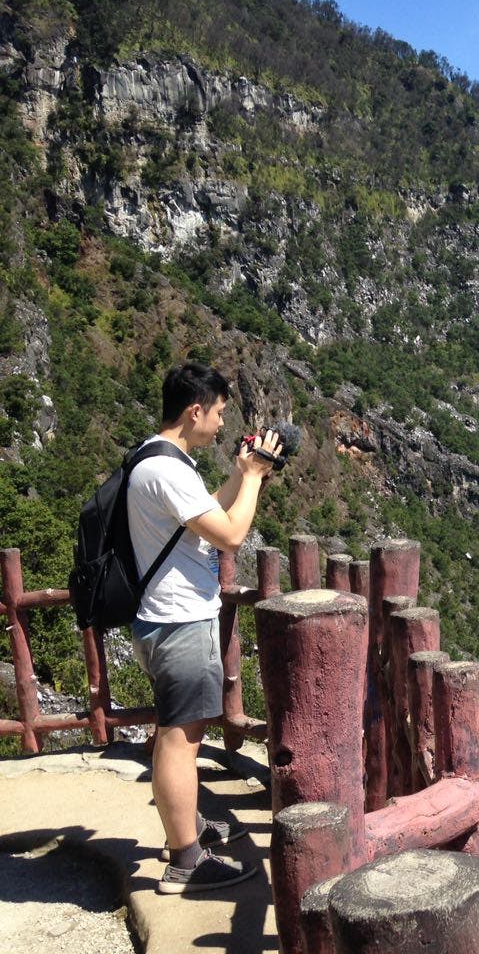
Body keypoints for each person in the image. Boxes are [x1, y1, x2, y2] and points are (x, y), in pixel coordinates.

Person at [128, 361, 281, 894]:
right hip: (178, 622)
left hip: (162, 619)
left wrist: (241, 472)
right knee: (180, 740)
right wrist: (257, 480)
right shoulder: (167, 471)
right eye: (217, 413)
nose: (219, 424)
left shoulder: (159, 460)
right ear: (195, 411)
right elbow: (232, 535)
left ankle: (187, 824)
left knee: (177, 734)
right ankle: (186, 860)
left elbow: (203, 517)